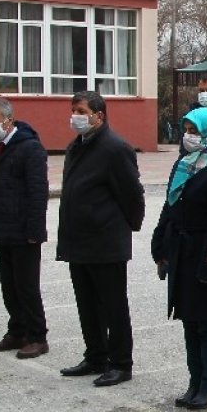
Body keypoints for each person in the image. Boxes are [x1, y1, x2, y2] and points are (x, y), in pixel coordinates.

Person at [55, 91, 146, 387]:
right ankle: (95, 355)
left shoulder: (114, 148)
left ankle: (120, 362)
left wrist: (127, 227)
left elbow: (132, 195)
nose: (75, 115)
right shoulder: (76, 146)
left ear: (99, 115)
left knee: (112, 305)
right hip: (78, 240)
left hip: (105, 241)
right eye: (73, 109)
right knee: (87, 303)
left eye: (81, 110)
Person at [152, 108, 207, 410]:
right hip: (181, 251)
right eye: (186, 128)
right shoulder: (184, 164)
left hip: (205, 253)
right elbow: (170, 204)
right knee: (189, 320)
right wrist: (160, 243)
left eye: (195, 130)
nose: (188, 135)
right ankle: (195, 381)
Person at [0, 96, 50, 359]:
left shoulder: (29, 148)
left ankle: (37, 335)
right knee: (9, 285)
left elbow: (37, 191)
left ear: (9, 119)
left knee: (26, 286)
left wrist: (35, 230)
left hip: (24, 231)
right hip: (3, 228)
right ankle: (17, 330)